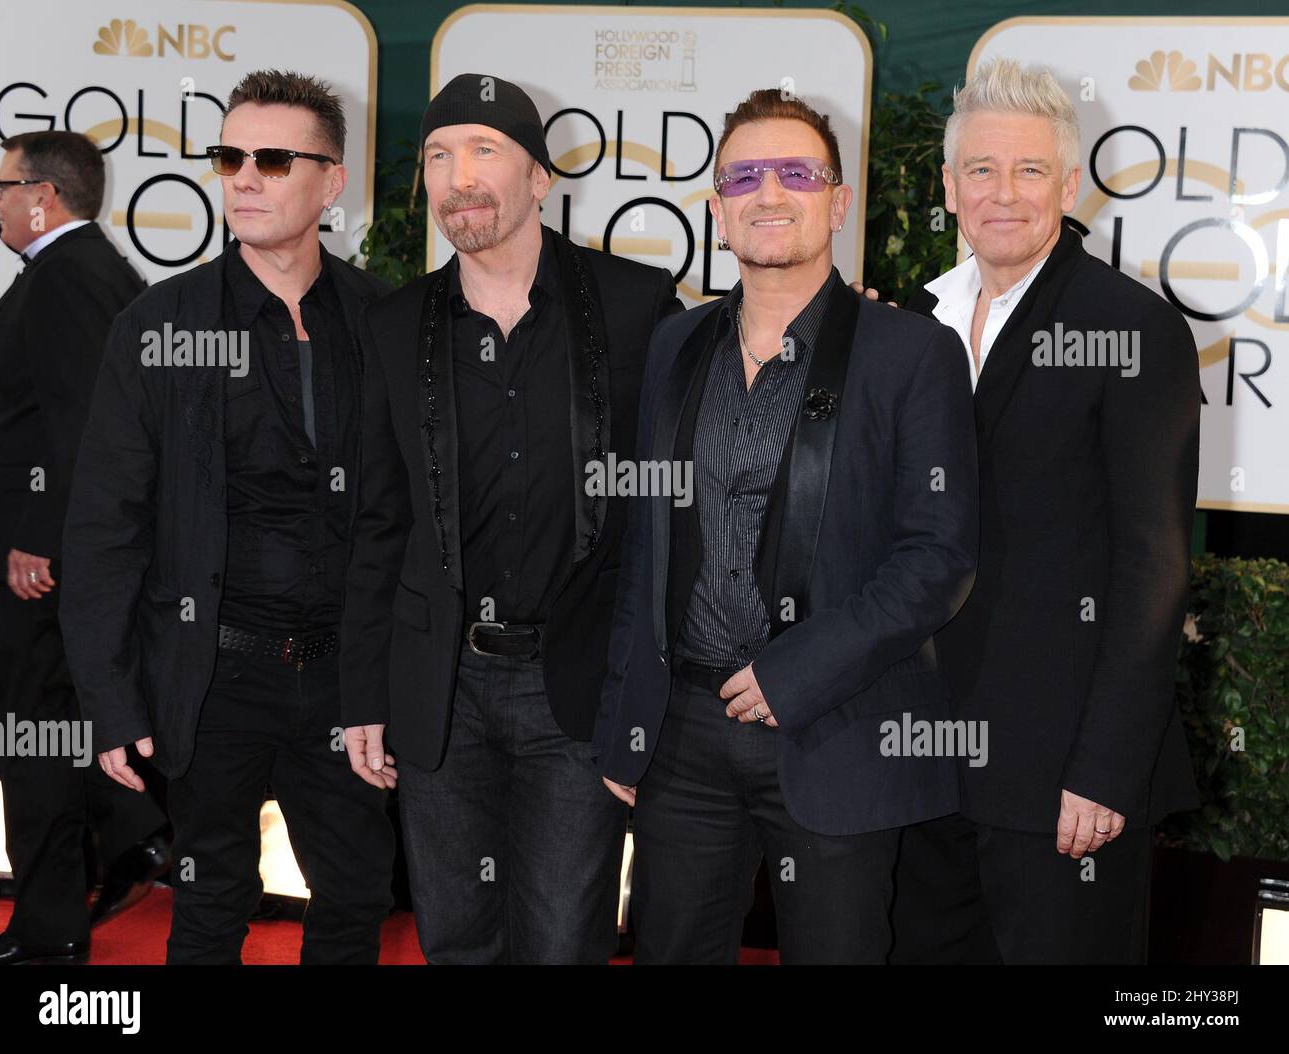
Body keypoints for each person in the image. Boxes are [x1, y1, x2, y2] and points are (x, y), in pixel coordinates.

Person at [592, 88, 979, 964]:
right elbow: (643, 553)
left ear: (838, 203)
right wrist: (628, 721)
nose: (771, 194)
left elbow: (938, 556)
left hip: (837, 729)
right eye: (746, 176)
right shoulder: (674, 346)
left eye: (798, 173)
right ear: (718, 207)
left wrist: (795, 672)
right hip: (683, 738)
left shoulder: (911, 352)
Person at [339, 73, 683, 964]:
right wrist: (366, 696)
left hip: (577, 683)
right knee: (453, 936)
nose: (459, 177)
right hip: (439, 684)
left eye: (485, 151)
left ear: (540, 179)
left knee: (563, 942)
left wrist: (651, 694)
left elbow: (670, 516)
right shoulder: (395, 324)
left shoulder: (638, 307)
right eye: (439, 157)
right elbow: (382, 521)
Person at [61, 70, 396, 964]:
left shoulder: (383, 323)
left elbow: (412, 514)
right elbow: (104, 524)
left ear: (331, 183)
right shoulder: (159, 326)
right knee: (211, 901)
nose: (243, 177)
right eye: (228, 157)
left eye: (272, 159)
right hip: (212, 675)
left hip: (348, 682)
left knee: (357, 894)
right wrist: (110, 695)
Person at [891, 59, 1200, 965]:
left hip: (1062, 788)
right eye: (981, 170)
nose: (1004, 194)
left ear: (1069, 187)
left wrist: (1105, 771)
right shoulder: (914, 326)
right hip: (917, 768)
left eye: (1030, 171)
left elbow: (1155, 567)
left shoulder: (1131, 329)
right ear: (948, 188)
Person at [0, 130, 168, 966]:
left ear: (41, 196)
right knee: (54, 738)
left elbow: (80, 422)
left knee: (34, 741)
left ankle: (59, 912)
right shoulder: (87, 270)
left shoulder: (65, 279)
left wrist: (34, 539)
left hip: (44, 569)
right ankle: (121, 847)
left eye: (0, 187)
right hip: (66, 562)